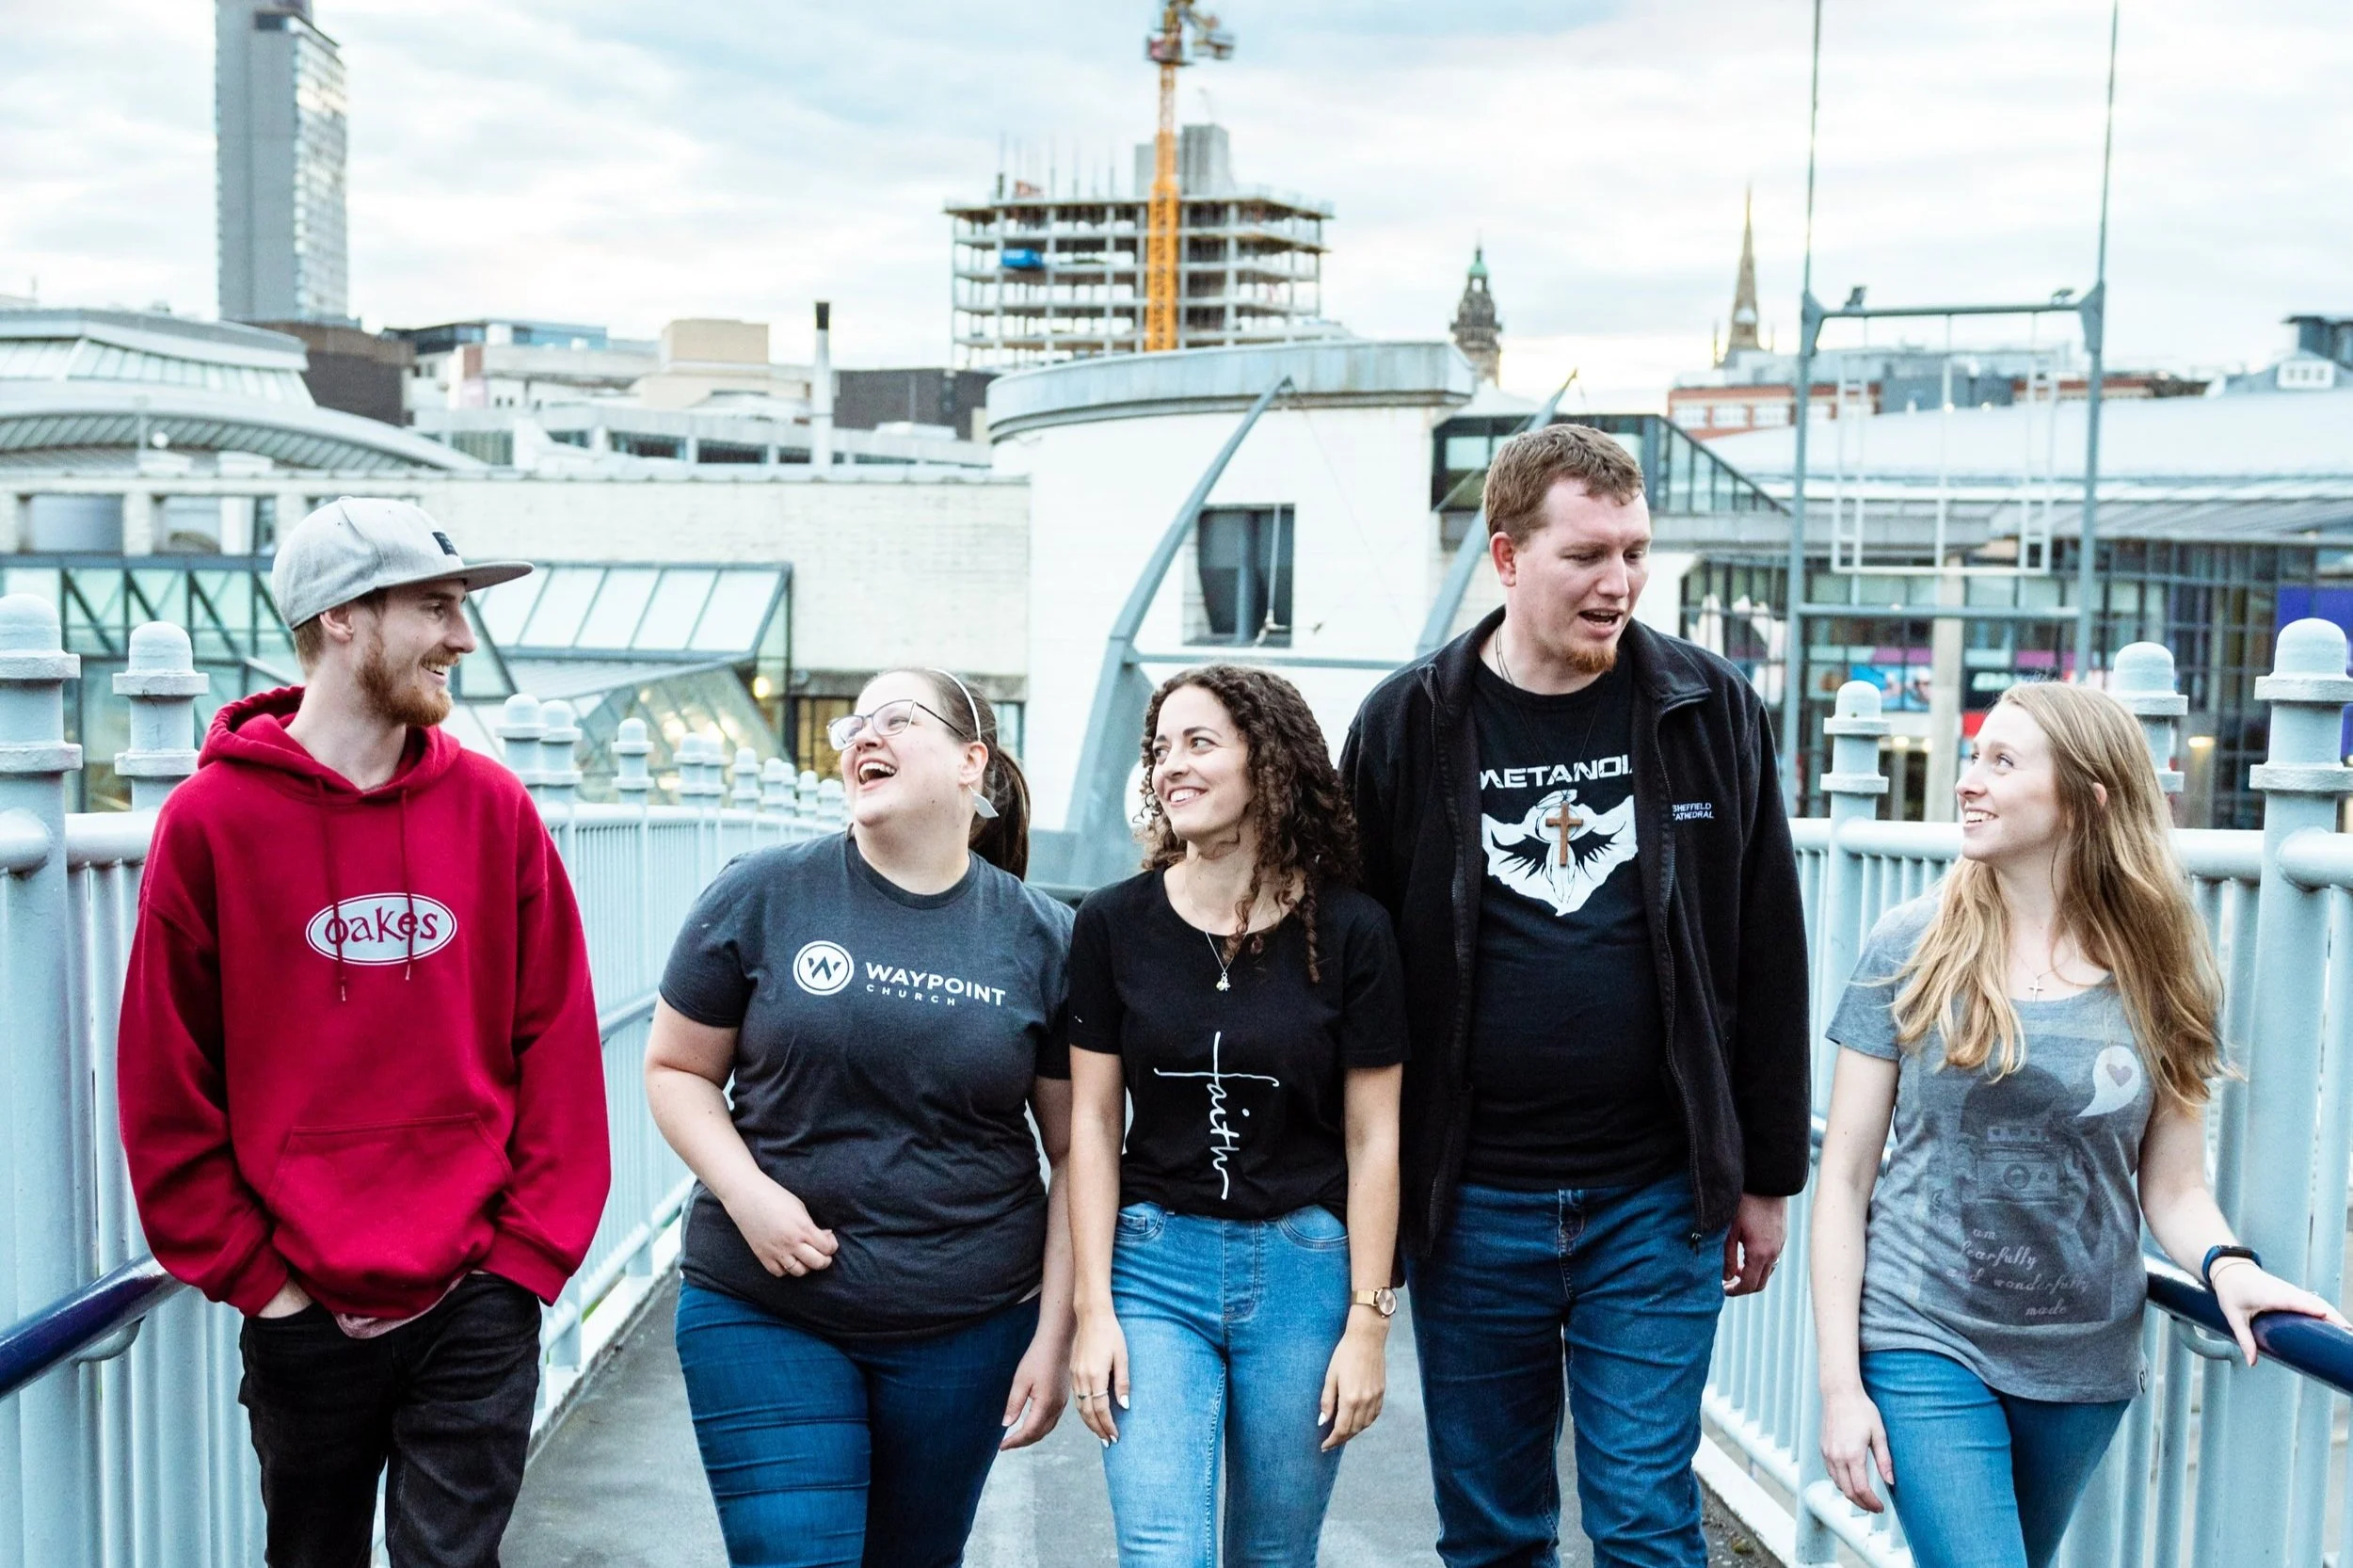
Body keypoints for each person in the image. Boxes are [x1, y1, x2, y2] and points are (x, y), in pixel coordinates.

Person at [1339, 423, 1811, 1568]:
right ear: (1506, 556)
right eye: (1587, 555)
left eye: (1635, 553)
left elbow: (1766, 948)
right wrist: (1357, 1202)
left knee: (1645, 1519)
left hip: (1653, 1195)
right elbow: (1352, 965)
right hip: (1469, 1198)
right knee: (1492, 1531)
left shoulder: (1709, 707)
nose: (1619, 584)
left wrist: (1764, 1176)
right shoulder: (1408, 722)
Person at [117, 497, 611, 1568]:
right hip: (300, 1302)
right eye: (435, 607)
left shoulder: (494, 810)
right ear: (343, 617)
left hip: (478, 1294)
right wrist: (263, 1283)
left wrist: (520, 1263)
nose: (462, 637)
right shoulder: (211, 824)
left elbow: (559, 1047)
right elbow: (166, 1080)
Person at [1811, 681, 2345, 1568]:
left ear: (2086, 799)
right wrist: (1840, 1386)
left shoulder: (2162, 970)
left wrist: (2229, 1266)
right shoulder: (1911, 944)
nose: (1968, 781)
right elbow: (1845, 1178)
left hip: (2082, 1364)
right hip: (1922, 1335)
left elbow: (2172, 1185)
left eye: (2002, 762)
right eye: (1974, 757)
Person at [646, 667, 1074, 1568]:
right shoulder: (763, 892)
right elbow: (678, 1069)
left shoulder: (1043, 937)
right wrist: (748, 1194)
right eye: (855, 725)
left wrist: (1054, 1331)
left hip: (968, 1324)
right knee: (797, 1554)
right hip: (764, 1307)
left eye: (896, 720)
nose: (864, 737)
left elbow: (1078, 1151)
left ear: (971, 762)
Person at [1066, 665, 1407, 1568]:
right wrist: (1092, 1309)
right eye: (1160, 749)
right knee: (1161, 1551)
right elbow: (1092, 1126)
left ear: (1270, 761)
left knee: (1274, 1554)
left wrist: (1369, 1322)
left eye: (1200, 743)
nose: (1170, 765)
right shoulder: (1112, 924)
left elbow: (1376, 1139)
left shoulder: (1353, 931)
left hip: (1304, 1270)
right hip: (1152, 1267)